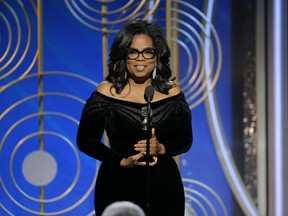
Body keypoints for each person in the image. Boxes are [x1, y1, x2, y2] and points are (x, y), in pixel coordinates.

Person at [77, 19, 193, 216]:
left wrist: (162, 148)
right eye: (133, 52)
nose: (141, 59)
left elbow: (185, 139)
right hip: (117, 185)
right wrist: (119, 160)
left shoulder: (172, 92)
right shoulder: (107, 92)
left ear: (156, 56)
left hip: (164, 187)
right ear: (124, 55)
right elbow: (86, 140)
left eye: (147, 52)